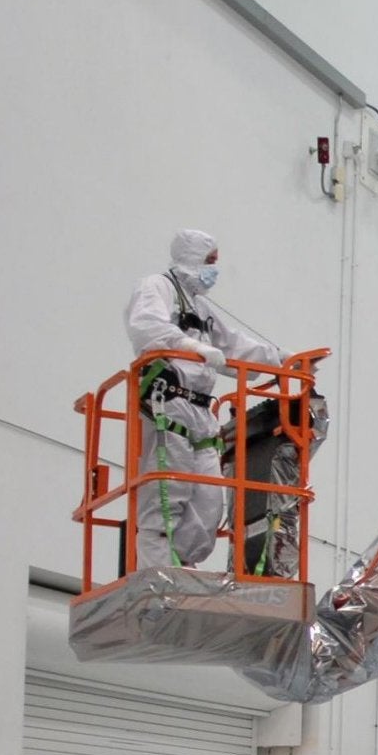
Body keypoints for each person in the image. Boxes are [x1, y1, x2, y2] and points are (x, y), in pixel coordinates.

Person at [125, 229, 286, 570]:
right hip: (167, 402)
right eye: (210, 261)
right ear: (192, 257)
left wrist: (282, 360)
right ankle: (159, 574)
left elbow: (232, 344)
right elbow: (146, 326)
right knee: (168, 493)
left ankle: (182, 567)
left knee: (208, 498)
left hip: (200, 409)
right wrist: (191, 347)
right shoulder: (157, 287)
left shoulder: (199, 306)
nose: (215, 269)